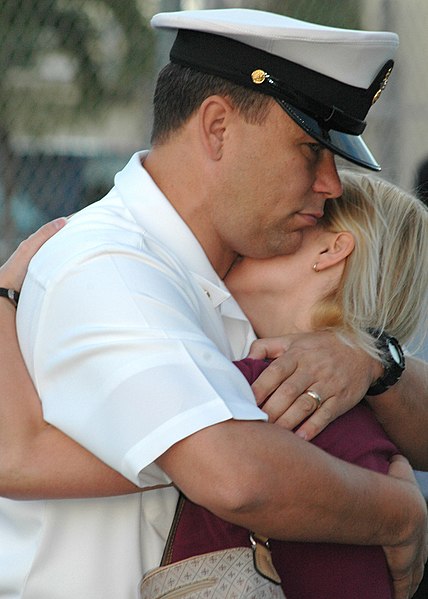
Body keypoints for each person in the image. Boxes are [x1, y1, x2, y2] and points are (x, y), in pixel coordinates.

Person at [0, 8, 427, 599]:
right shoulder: (112, 268)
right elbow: (237, 475)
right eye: (310, 149)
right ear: (218, 128)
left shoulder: (230, 277)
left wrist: (376, 361)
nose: (331, 183)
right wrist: (399, 513)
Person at [160, 170, 428, 599]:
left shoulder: (256, 389)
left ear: (331, 249)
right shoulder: (376, 432)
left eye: (294, 221)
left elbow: (21, 455)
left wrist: (10, 297)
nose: (247, 238)